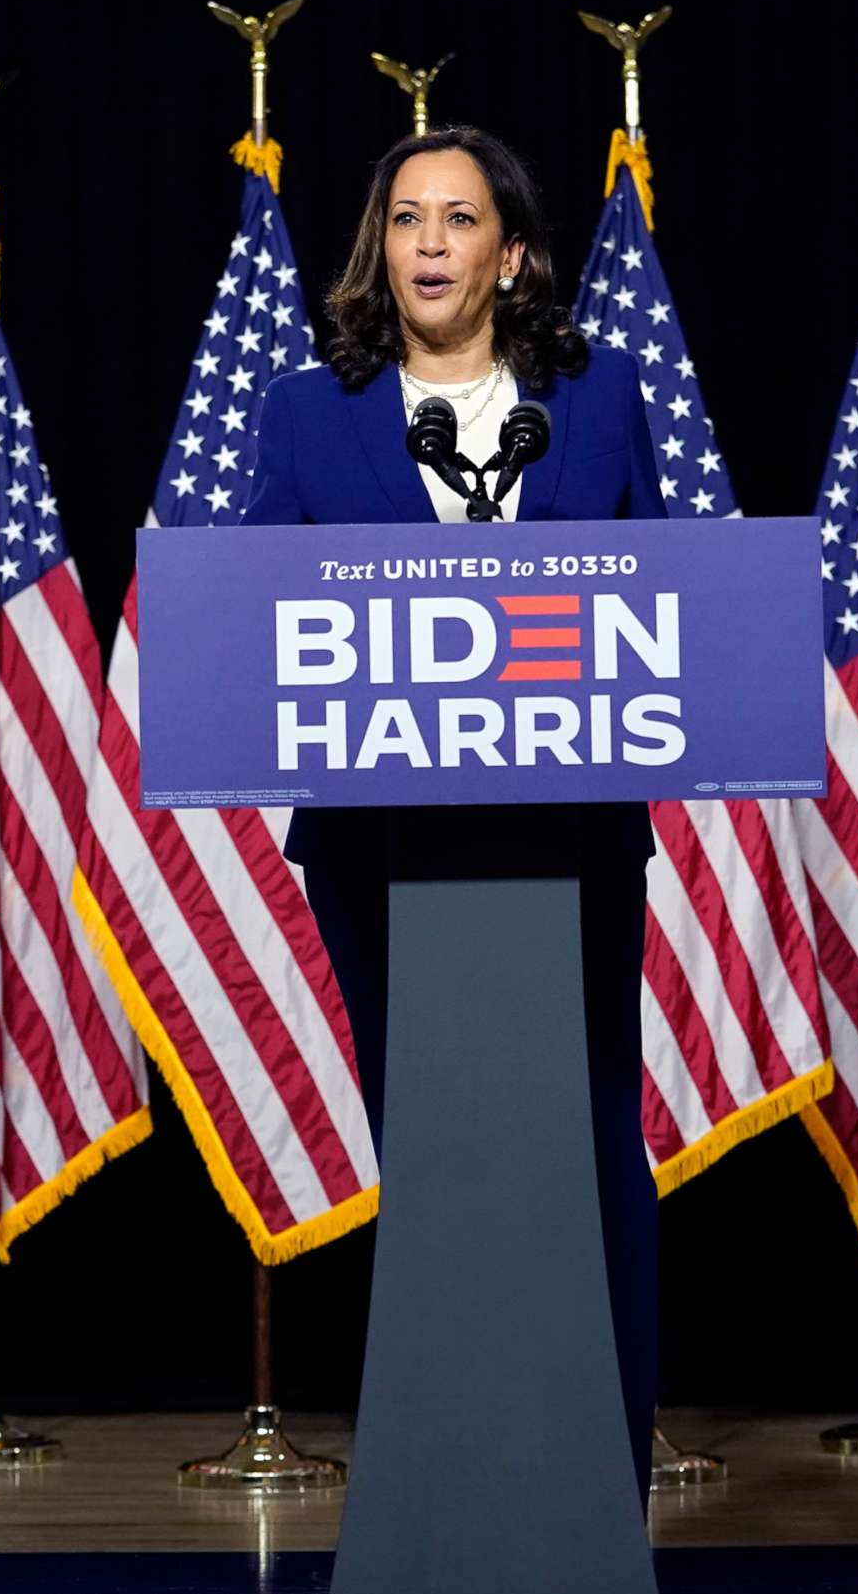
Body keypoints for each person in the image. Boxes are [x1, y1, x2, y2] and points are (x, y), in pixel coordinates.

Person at [244, 127, 665, 1496]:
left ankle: (601, 1459)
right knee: (427, 1139)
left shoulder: (596, 406)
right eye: (407, 218)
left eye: (459, 219)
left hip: (571, 839)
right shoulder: (309, 412)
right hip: (380, 848)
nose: (429, 243)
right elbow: (252, 618)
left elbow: (662, 607)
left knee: (591, 1127)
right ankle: (447, 1471)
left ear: (515, 253)